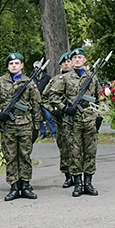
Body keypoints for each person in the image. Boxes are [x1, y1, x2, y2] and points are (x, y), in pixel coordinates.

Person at [0, 53, 42, 201]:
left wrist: (36, 127)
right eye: (11, 64)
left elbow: (36, 106)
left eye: (17, 63)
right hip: (8, 126)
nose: (14, 66)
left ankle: (25, 185)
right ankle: (14, 186)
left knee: (25, 156)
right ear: (7, 66)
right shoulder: (0, 82)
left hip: (25, 125)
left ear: (22, 65)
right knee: (10, 156)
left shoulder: (29, 83)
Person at [48, 47, 101, 197]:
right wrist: (64, 108)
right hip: (73, 122)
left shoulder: (92, 77)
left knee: (90, 152)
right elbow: (53, 95)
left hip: (89, 120)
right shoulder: (64, 79)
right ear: (71, 61)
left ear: (85, 60)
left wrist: (99, 115)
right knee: (75, 153)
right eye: (74, 58)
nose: (77, 60)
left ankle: (88, 183)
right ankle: (78, 183)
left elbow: (100, 97)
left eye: (80, 57)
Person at [43, 52, 75, 187]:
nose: (67, 64)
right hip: (62, 120)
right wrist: (53, 111)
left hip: (77, 119)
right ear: (60, 64)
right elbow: (44, 98)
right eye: (64, 62)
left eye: (69, 61)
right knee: (64, 149)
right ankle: (68, 175)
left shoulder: (80, 78)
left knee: (78, 148)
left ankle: (79, 175)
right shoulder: (55, 80)